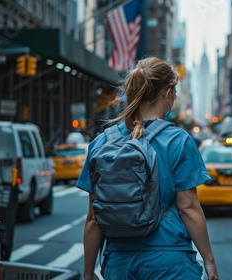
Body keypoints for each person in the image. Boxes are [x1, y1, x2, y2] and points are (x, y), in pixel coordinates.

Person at [76, 57, 219, 280]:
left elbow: (94, 218)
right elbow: (188, 206)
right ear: (167, 93)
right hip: (170, 262)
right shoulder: (178, 140)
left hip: (119, 263)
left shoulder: (102, 142)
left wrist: (87, 273)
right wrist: (209, 261)